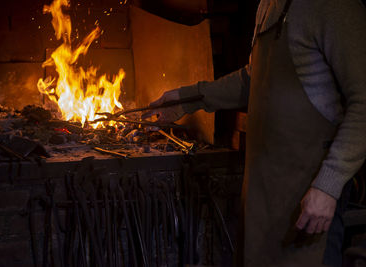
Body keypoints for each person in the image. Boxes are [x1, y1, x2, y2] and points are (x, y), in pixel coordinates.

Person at [142, 0, 366, 266]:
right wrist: (185, 99)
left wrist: (328, 186)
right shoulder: (268, 4)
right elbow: (254, 78)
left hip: (310, 196)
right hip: (263, 193)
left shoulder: (336, 6)